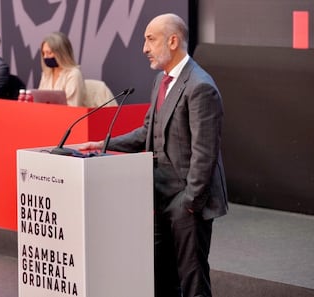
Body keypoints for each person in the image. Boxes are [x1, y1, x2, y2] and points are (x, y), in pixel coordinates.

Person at [78, 13, 228, 297]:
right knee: (160, 276)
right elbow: (147, 132)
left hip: (186, 201)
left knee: (193, 279)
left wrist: (191, 203)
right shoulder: (162, 80)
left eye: (150, 39)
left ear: (173, 41)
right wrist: (103, 144)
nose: (144, 48)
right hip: (159, 195)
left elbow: (205, 153)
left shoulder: (200, 86)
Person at [38, 32, 87, 106]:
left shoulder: (74, 74)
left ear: (61, 53)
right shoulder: (46, 74)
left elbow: (73, 106)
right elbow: (38, 101)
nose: (45, 57)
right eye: (43, 53)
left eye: (49, 53)